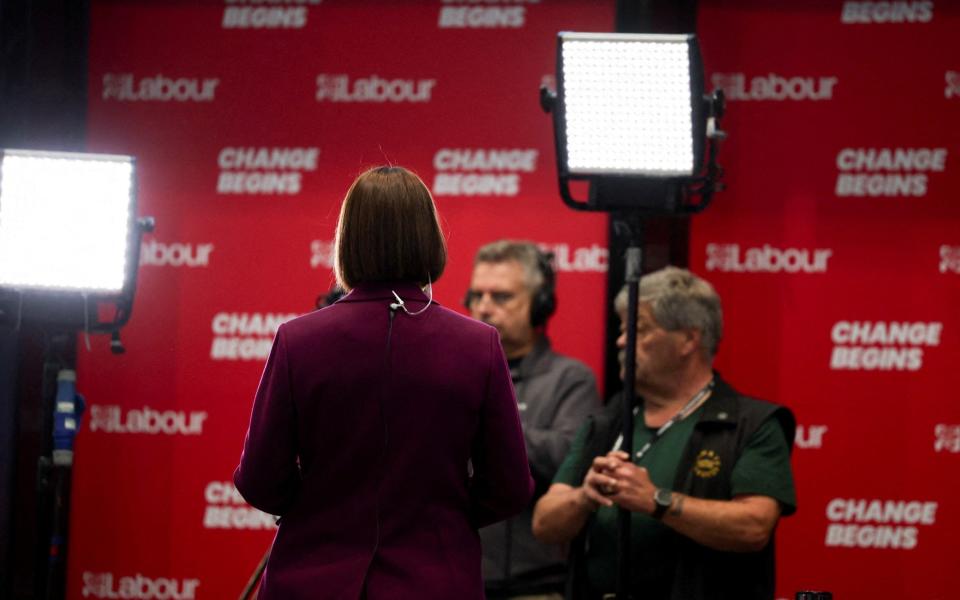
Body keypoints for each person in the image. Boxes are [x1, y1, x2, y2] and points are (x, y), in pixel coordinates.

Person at [234, 166, 534, 600]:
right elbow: (509, 487)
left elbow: (259, 479)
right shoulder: (479, 345)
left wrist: (318, 509)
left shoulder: (297, 339)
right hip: (436, 581)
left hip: (310, 580)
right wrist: (443, 516)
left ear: (347, 241)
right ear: (430, 238)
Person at [532, 266, 796, 600]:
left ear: (688, 339)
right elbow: (544, 523)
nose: (621, 340)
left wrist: (656, 500)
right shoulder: (608, 421)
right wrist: (584, 497)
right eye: (623, 328)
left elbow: (754, 526)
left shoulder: (750, 423)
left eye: (638, 329)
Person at [466, 241, 599, 599]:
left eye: (502, 297)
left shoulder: (571, 379)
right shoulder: (454, 375)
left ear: (541, 305)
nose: (484, 307)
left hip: (537, 586)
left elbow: (567, 456)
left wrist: (484, 427)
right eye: (477, 295)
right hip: (458, 581)